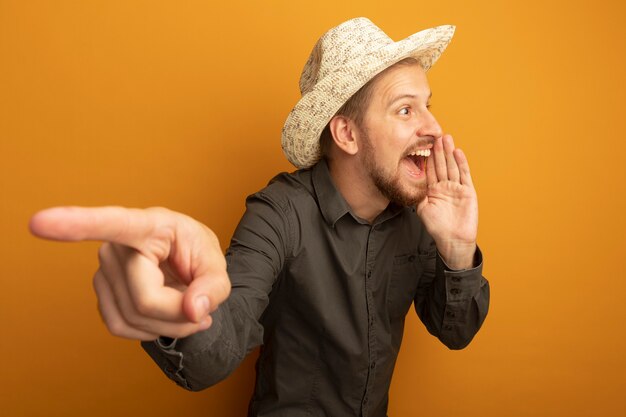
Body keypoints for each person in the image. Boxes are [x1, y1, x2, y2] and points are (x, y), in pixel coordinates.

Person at [30, 17, 490, 417]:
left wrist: (456, 250)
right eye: (406, 109)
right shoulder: (278, 213)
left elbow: (456, 332)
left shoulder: (417, 214)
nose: (433, 127)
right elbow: (217, 349)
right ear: (347, 133)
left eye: (428, 105)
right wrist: (180, 307)